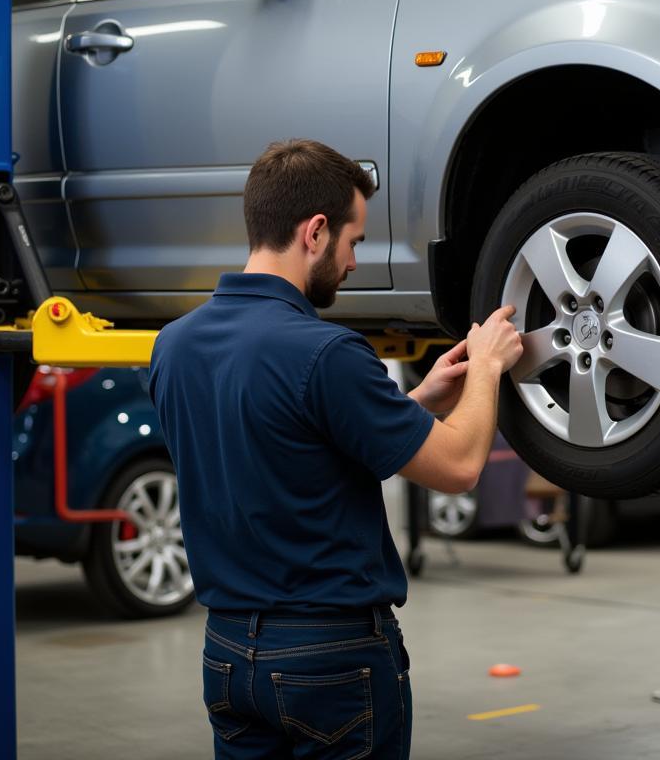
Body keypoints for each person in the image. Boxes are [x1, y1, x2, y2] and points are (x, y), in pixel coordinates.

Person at [149, 138, 523, 759]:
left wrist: (418, 401)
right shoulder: (327, 353)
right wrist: (486, 368)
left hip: (227, 655)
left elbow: (281, 446)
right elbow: (458, 467)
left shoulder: (174, 346)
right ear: (315, 232)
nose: (354, 261)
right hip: (329, 660)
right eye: (355, 240)